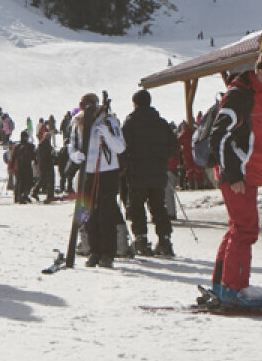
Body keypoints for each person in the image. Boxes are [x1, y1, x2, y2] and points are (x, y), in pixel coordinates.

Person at [208, 51, 262, 310]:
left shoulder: (259, 96)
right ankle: (234, 288)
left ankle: (222, 286)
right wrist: (232, 173)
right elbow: (219, 135)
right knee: (245, 230)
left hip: (247, 174)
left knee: (238, 227)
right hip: (238, 175)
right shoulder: (241, 95)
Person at [68, 93, 126, 268]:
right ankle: (94, 250)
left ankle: (108, 253)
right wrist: (75, 156)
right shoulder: (77, 123)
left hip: (107, 172)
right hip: (88, 172)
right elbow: (71, 145)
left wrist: (107, 135)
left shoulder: (109, 121)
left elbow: (120, 147)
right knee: (88, 213)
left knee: (106, 213)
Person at [122, 89, 180, 257]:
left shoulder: (130, 122)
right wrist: (162, 158)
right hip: (158, 171)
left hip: (137, 172)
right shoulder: (161, 122)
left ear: (135, 103)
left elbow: (123, 147)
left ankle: (141, 241)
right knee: (158, 207)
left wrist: (125, 165)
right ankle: (165, 241)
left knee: (137, 207)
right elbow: (174, 146)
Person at [11, 132, 35, 203]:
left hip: (20, 167)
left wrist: (12, 166)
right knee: (27, 182)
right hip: (27, 166)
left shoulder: (17, 146)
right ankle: (23, 196)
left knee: (19, 182)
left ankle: (18, 196)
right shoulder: (30, 146)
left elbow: (14, 157)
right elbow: (33, 156)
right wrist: (36, 161)